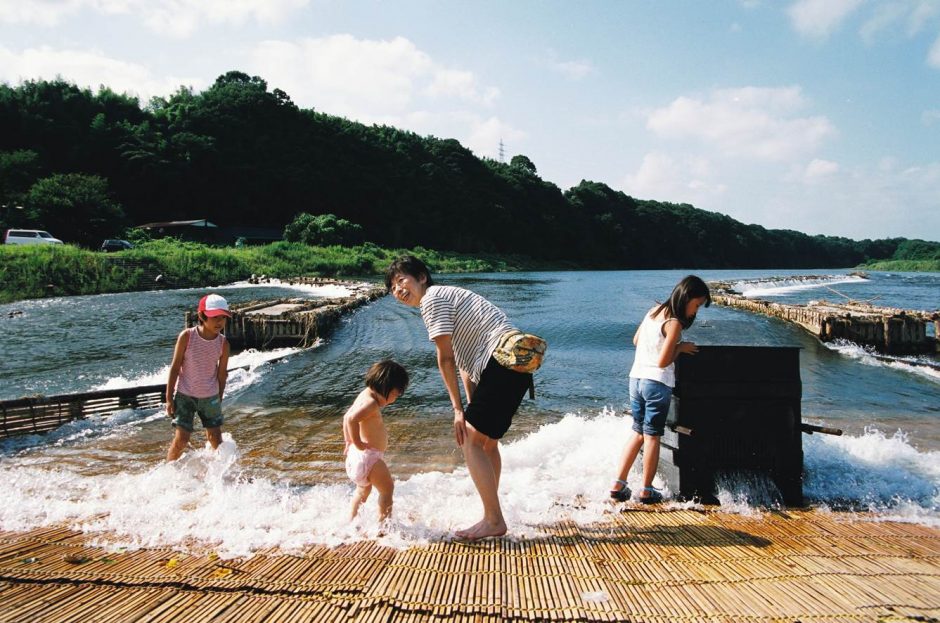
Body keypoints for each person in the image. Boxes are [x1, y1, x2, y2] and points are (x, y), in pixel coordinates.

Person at [385, 255, 534, 540]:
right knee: (487, 443)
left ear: (422, 278)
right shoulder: (449, 297)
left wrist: (457, 410)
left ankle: (494, 520)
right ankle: (491, 512)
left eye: (401, 279)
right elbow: (466, 364)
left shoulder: (432, 299)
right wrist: (469, 405)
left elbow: (446, 359)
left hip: (500, 362)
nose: (398, 289)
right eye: (392, 286)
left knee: (469, 438)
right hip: (517, 363)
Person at [610, 275, 711, 504]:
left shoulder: (653, 311)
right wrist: (680, 347)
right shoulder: (674, 322)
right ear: (686, 298)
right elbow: (664, 361)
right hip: (656, 383)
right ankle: (646, 489)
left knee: (637, 432)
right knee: (652, 436)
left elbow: (636, 340)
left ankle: (619, 484)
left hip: (636, 379)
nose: (696, 312)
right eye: (696, 305)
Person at [165, 293, 231, 462]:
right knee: (182, 440)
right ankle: (168, 469)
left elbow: (221, 374)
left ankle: (223, 476)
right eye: (214, 317)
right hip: (185, 395)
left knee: (216, 439)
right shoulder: (187, 337)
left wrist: (220, 396)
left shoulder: (223, 343)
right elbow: (174, 368)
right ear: (202, 316)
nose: (220, 322)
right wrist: (169, 398)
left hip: (210, 397)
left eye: (223, 317)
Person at [343, 360, 409, 522]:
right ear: (387, 387)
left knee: (361, 491)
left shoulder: (365, 394)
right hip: (369, 458)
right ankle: (383, 527)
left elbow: (346, 417)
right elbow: (351, 419)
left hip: (356, 459)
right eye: (396, 394)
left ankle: (351, 521)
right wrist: (358, 444)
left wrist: (348, 441)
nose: (396, 398)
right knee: (387, 490)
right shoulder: (371, 404)